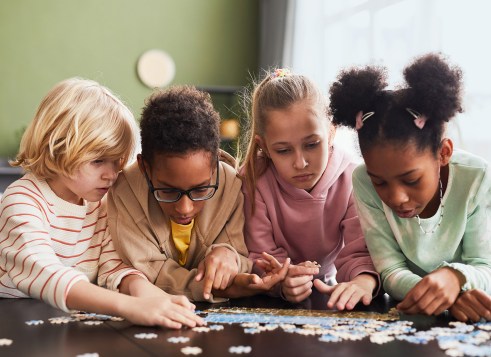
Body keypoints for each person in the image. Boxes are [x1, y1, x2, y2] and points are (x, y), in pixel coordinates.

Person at [0, 78, 204, 329]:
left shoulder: (101, 203)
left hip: (69, 322)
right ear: (56, 148)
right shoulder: (23, 200)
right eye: (98, 161)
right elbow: (44, 273)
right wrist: (130, 306)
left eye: (117, 161)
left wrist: (147, 294)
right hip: (14, 321)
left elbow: (113, 264)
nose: (112, 174)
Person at [329, 53, 491, 322]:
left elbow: (484, 267)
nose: (396, 197)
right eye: (380, 182)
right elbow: (390, 270)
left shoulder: (476, 177)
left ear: (443, 153)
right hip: (424, 313)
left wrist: (455, 278)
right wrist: (447, 296)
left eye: (411, 180)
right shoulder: (363, 180)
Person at [107, 85, 289, 302]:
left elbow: (241, 254)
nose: (185, 208)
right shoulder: (124, 192)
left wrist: (228, 256)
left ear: (215, 165)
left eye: (201, 190)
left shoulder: (231, 185)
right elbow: (151, 274)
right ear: (145, 168)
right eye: (167, 190)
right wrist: (222, 288)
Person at [239, 68, 379, 310]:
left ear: (331, 131)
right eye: (283, 150)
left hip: (331, 290)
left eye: (312, 144)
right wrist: (282, 282)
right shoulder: (253, 181)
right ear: (263, 146)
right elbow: (259, 256)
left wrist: (363, 281)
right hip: (272, 298)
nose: (300, 163)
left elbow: (360, 251)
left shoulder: (354, 177)